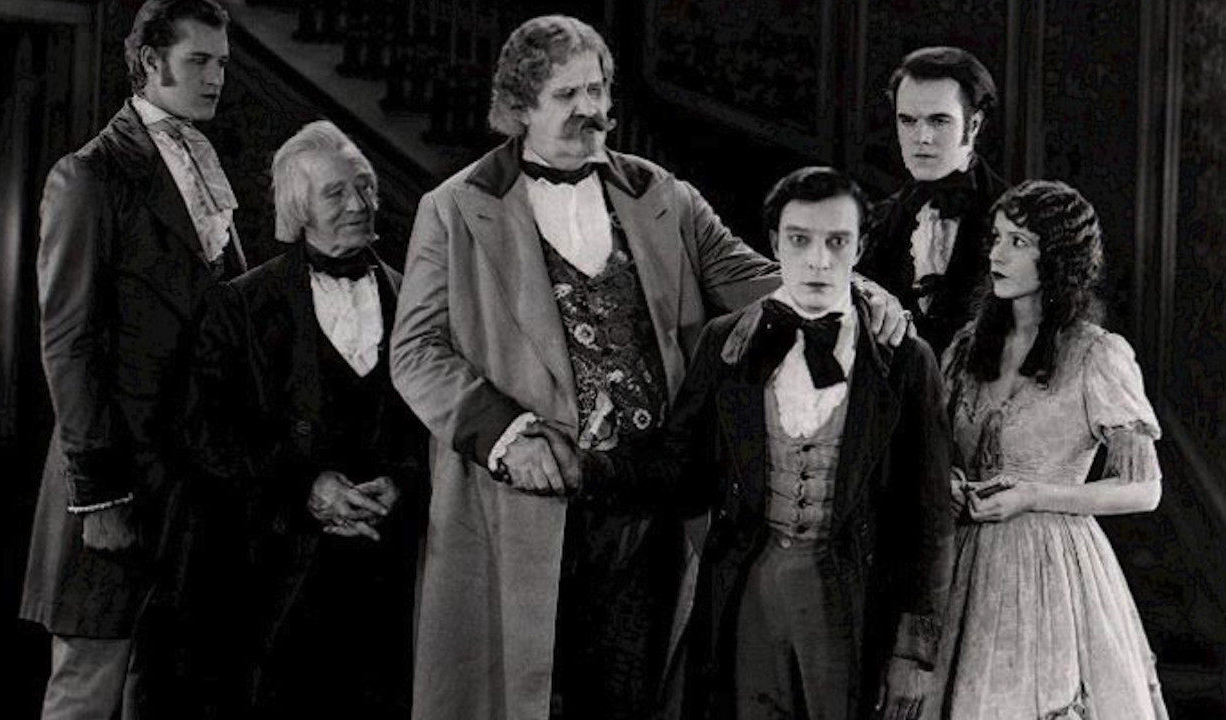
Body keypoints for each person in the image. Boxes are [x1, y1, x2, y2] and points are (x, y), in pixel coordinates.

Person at [389, 15, 909, 720]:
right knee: (529, 694)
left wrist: (851, 289)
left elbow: (751, 277)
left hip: (651, 497)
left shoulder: (662, 193)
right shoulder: (455, 208)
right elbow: (416, 350)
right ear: (519, 106)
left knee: (635, 693)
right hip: (525, 502)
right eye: (567, 94)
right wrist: (507, 435)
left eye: (597, 90)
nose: (590, 109)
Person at [550, 167, 954, 720]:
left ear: (859, 249)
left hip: (851, 601)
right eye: (800, 240)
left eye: (837, 242)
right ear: (774, 244)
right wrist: (585, 468)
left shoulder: (905, 360)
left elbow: (928, 517)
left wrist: (913, 654)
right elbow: (678, 470)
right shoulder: (727, 342)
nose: (818, 260)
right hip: (749, 596)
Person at [18, 1, 243, 717]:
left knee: (165, 691)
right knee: (87, 687)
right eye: (198, 61)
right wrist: (98, 492)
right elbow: (68, 341)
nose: (215, 78)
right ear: (150, 62)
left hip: (190, 476)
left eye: (222, 63)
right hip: (117, 476)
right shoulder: (89, 175)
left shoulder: (203, 161)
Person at [181, 121, 423, 718]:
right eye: (336, 192)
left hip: (388, 579)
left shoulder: (418, 300)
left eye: (365, 187)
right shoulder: (240, 304)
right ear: (298, 209)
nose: (360, 204)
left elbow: (434, 428)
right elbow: (208, 434)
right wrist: (305, 488)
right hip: (274, 576)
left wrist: (402, 485)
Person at [929, 180, 1168, 719]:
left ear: (1057, 258)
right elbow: (936, 451)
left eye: (1019, 242)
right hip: (961, 565)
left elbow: (1145, 489)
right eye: (996, 238)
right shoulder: (966, 348)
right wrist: (949, 482)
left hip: (1051, 573)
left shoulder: (1096, 355)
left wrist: (1035, 495)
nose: (997, 254)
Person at [858, 46, 1008, 356]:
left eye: (939, 121)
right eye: (907, 120)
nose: (921, 137)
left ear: (974, 124)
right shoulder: (879, 219)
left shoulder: (1021, 216)